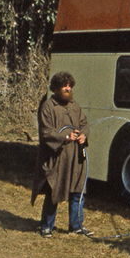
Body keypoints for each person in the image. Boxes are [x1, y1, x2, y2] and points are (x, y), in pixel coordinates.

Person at [30, 71, 94, 238]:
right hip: (57, 157)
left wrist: (83, 135)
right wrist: (65, 137)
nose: (67, 88)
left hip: (76, 158)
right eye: (63, 86)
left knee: (77, 191)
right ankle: (46, 226)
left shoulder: (75, 106)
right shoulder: (48, 106)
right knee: (54, 191)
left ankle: (76, 226)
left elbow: (84, 124)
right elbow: (45, 132)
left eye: (69, 85)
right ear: (56, 88)